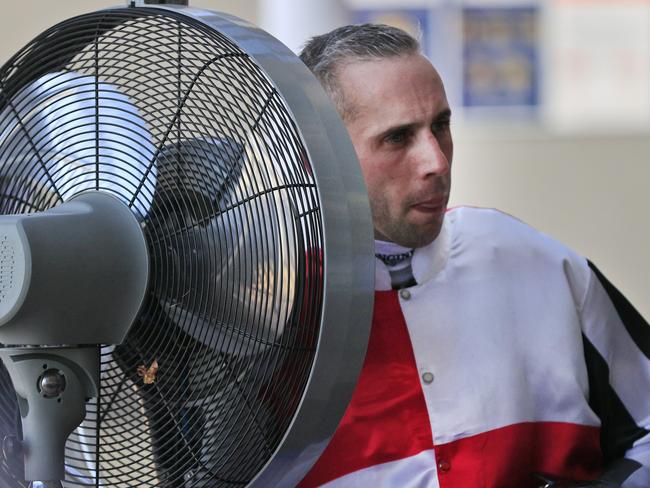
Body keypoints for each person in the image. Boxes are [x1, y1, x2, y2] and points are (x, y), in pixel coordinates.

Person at [296, 24, 650, 488]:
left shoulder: (534, 261)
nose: (437, 162)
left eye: (441, 125)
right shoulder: (265, 314)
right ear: (318, 155)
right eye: (399, 137)